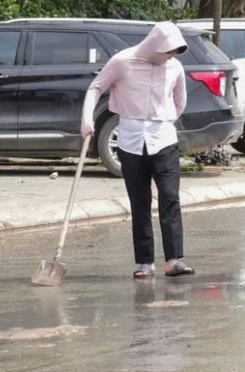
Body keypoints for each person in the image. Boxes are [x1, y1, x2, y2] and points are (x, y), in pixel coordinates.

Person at [80, 21, 194, 279]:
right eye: (168, 51)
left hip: (163, 138)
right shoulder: (123, 61)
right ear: (154, 46)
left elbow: (180, 100)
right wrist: (87, 120)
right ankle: (145, 262)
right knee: (139, 200)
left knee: (170, 197)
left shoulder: (175, 66)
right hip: (130, 140)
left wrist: (165, 119)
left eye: (175, 51)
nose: (171, 56)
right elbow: (96, 88)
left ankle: (174, 260)